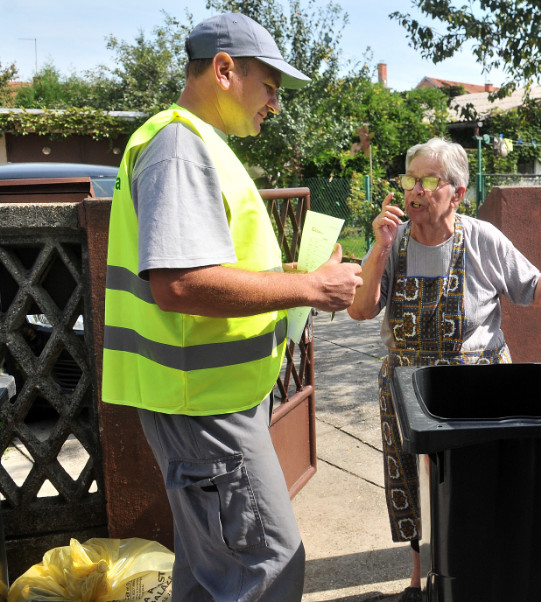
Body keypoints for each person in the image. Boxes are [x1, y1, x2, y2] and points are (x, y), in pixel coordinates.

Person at [101, 13, 363, 601]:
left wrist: (297, 276)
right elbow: (182, 283)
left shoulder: (186, 142)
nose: (275, 104)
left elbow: (199, 271)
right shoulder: (180, 147)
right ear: (224, 70)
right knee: (269, 566)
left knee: (207, 571)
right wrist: (310, 289)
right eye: (269, 87)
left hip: (198, 400)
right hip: (204, 407)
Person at [347, 138, 541, 601]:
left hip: (477, 386)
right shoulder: (391, 245)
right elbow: (361, 309)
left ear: (456, 193)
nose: (416, 190)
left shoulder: (482, 239)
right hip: (409, 385)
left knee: (475, 482)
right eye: (410, 179)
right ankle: (418, 578)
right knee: (408, 482)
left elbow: (532, 291)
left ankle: (477, 569)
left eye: (429, 181)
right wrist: (377, 249)